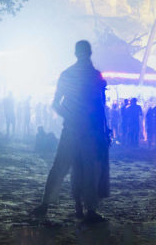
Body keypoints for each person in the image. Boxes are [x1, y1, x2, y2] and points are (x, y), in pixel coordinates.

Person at [33, 40, 109, 224]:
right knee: (88, 170)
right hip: (89, 131)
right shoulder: (95, 76)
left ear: (76, 53)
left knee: (61, 167)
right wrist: (103, 129)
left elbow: (56, 104)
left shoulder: (69, 74)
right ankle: (89, 209)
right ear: (89, 53)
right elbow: (100, 107)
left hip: (74, 129)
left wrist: (71, 117)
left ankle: (45, 205)